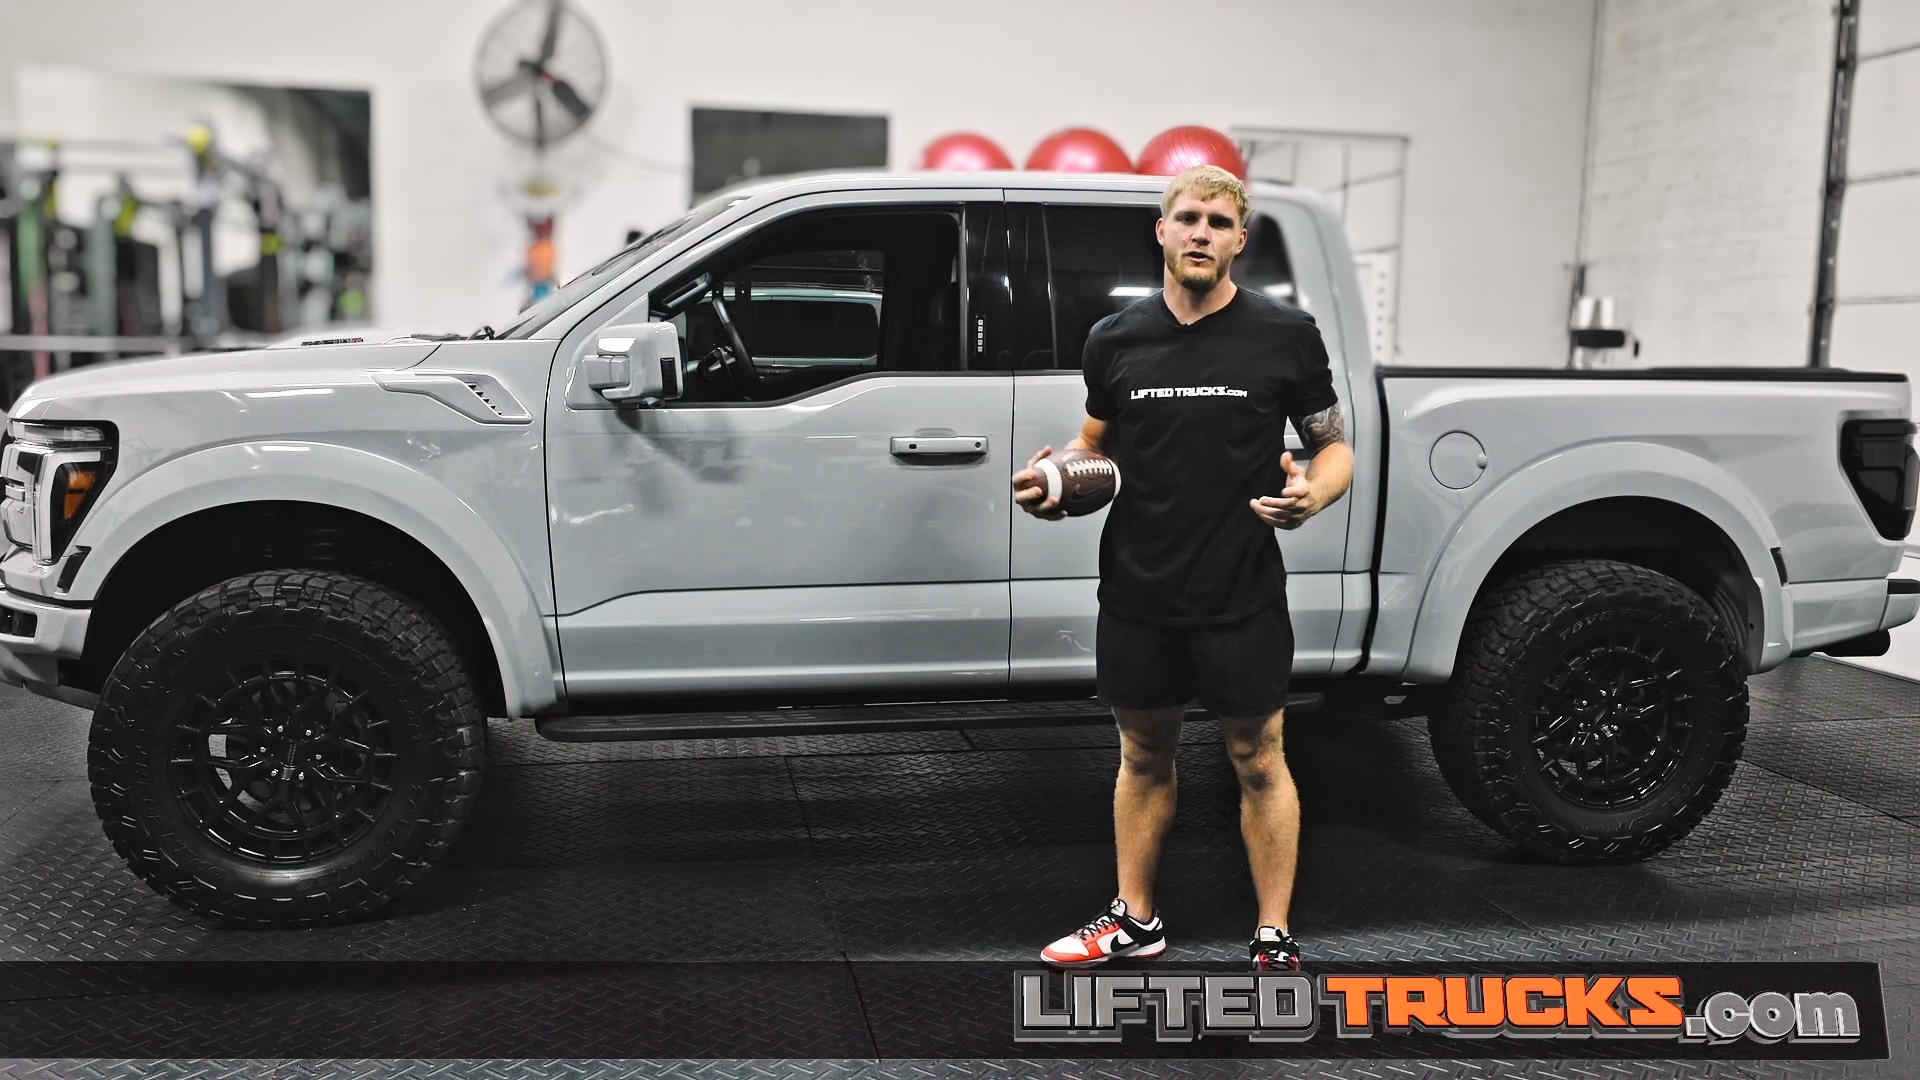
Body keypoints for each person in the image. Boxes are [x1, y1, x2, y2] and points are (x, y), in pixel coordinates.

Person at [1011, 165, 1354, 972]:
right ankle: (1136, 920)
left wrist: (1313, 495)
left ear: (1239, 240)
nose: (1202, 232)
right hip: (1139, 589)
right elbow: (1095, 446)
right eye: (1188, 218)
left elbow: (1334, 446)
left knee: (1258, 757)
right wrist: (1058, 485)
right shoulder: (1114, 340)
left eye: (1219, 222)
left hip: (1240, 589)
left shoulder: (1284, 335)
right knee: (1141, 754)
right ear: (1162, 232)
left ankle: (1273, 934)